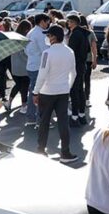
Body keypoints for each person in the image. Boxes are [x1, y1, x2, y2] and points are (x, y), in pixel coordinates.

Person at [33, 24, 79, 163]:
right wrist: (67, 87)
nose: (47, 38)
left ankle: (41, 150)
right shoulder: (69, 51)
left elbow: (42, 74)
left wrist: (35, 91)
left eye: (48, 35)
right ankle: (65, 152)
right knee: (63, 122)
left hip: (47, 92)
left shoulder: (47, 53)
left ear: (53, 37)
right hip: (63, 91)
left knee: (44, 122)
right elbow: (74, 73)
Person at [24, 13, 51, 127]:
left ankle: (31, 118)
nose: (48, 24)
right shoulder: (40, 34)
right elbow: (46, 51)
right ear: (42, 22)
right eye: (47, 22)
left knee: (33, 92)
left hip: (31, 65)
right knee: (40, 93)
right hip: (39, 67)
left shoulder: (30, 32)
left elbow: (26, 50)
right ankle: (41, 120)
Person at [66, 14, 91, 125]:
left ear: (74, 22)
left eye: (69, 22)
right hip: (82, 64)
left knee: (74, 91)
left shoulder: (75, 34)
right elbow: (88, 49)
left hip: (75, 65)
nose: (68, 24)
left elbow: (71, 52)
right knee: (80, 90)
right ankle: (81, 115)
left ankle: (75, 116)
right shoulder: (84, 33)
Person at [6, 19, 32, 113]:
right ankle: (24, 106)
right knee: (24, 86)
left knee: (18, 85)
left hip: (15, 67)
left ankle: (9, 102)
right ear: (26, 30)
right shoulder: (25, 40)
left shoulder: (13, 38)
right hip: (25, 67)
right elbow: (26, 54)